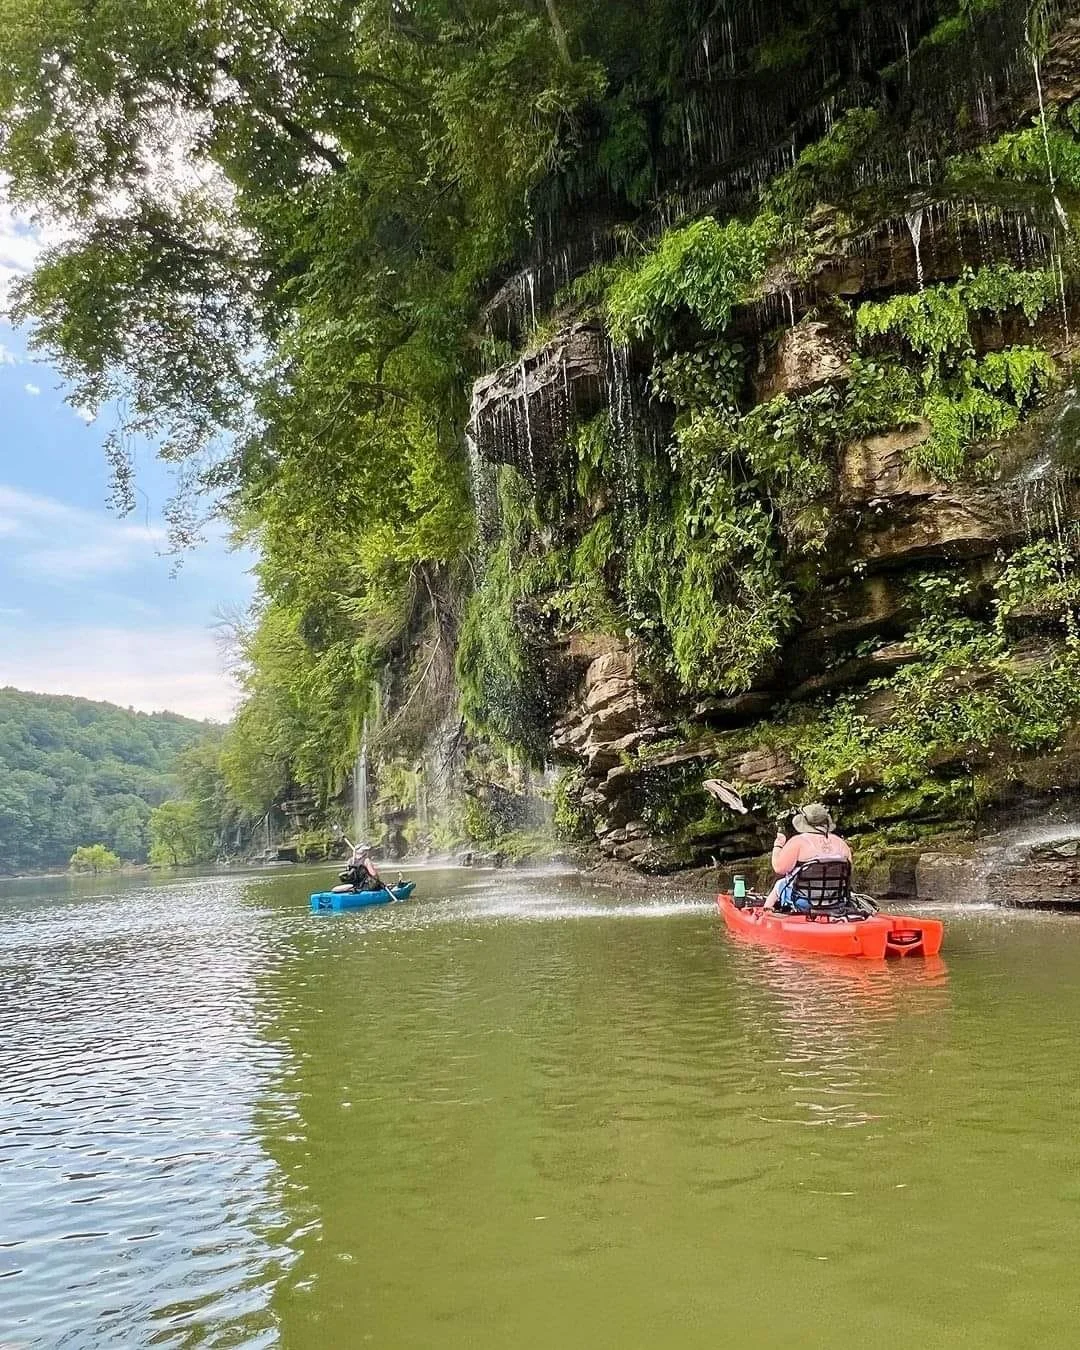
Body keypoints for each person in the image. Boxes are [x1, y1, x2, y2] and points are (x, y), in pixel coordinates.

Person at [763, 803, 852, 911]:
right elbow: (848, 872)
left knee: (780, 884)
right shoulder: (842, 844)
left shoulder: (798, 842)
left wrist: (778, 845)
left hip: (803, 901)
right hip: (834, 900)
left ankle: (765, 914)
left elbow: (779, 868)